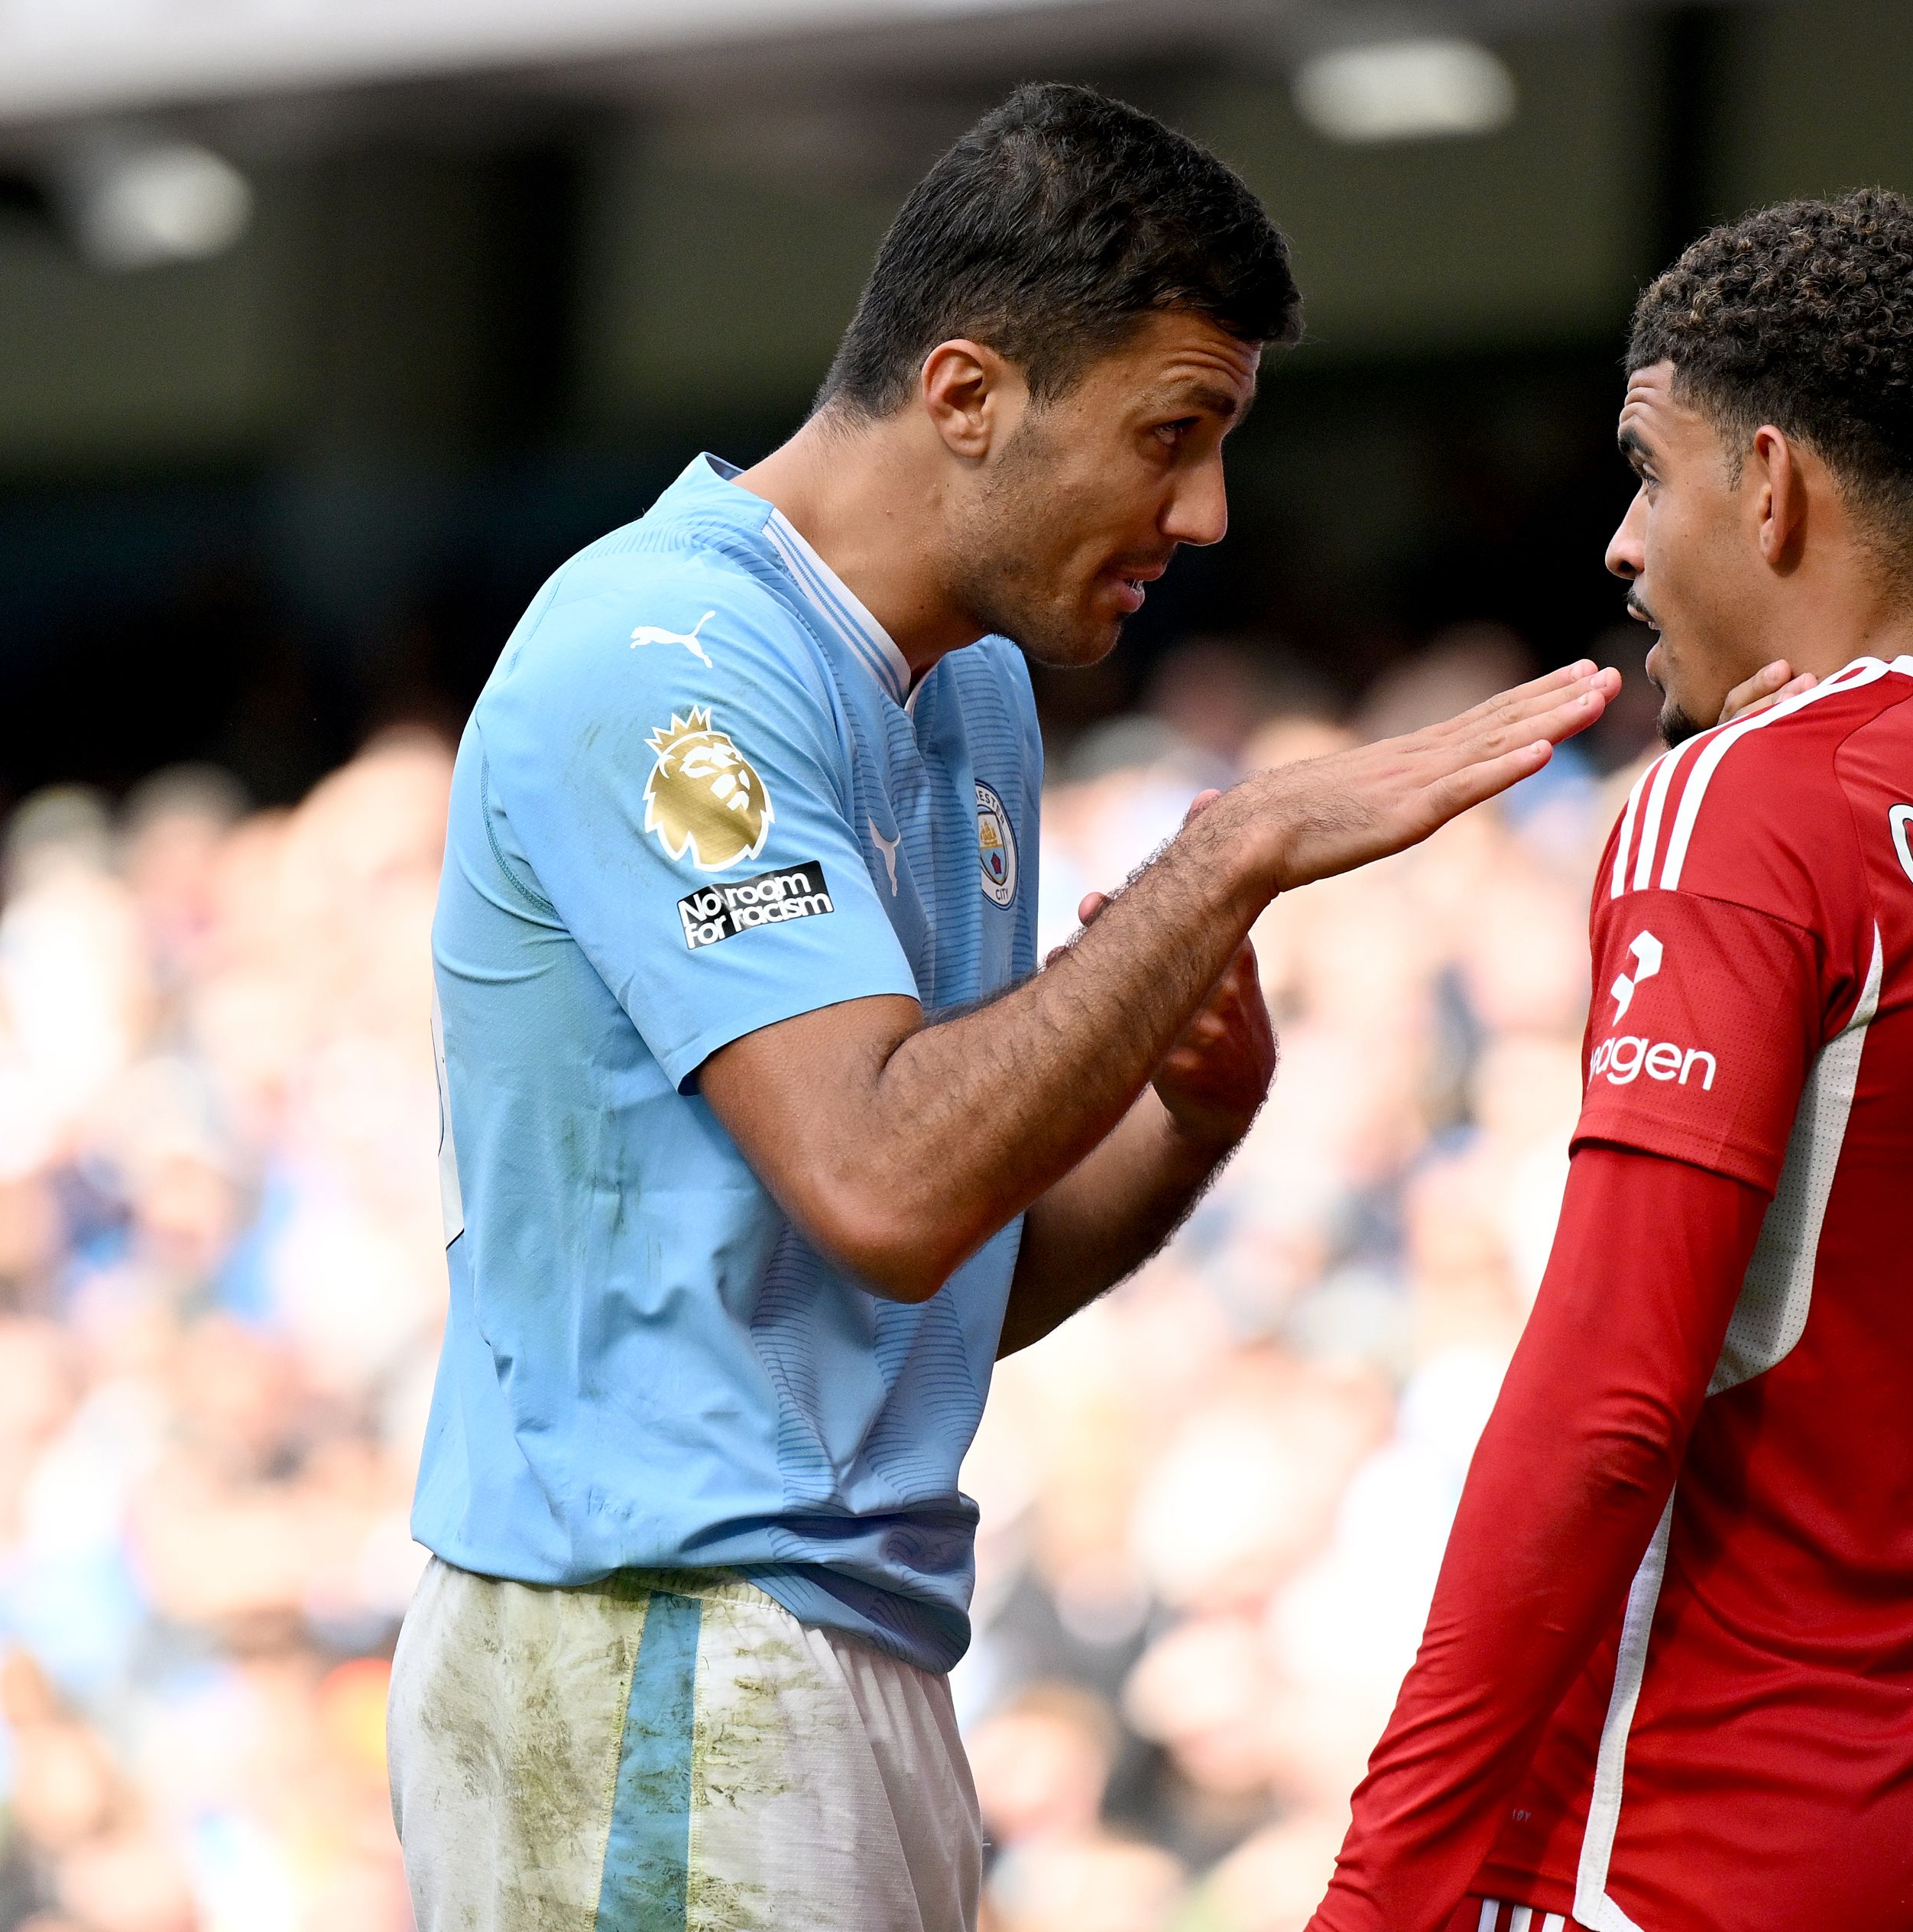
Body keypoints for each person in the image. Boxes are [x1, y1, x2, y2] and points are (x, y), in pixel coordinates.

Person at [388, 84, 1616, 1931]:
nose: (1202, 513)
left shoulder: (966, 693)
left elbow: (934, 1274)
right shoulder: (664, 664)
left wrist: (1190, 1119)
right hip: (648, 1644)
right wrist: (1232, 854)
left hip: (830, 1646)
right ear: (965, 394)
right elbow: (884, 1177)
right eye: (1171, 436)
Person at [1308, 189, 1913, 1932]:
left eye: (1650, 475)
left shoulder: (1748, 798)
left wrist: (1384, 1888)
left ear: (1771, 485)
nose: (1622, 546)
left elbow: (1600, 1409)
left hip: (1699, 1842)